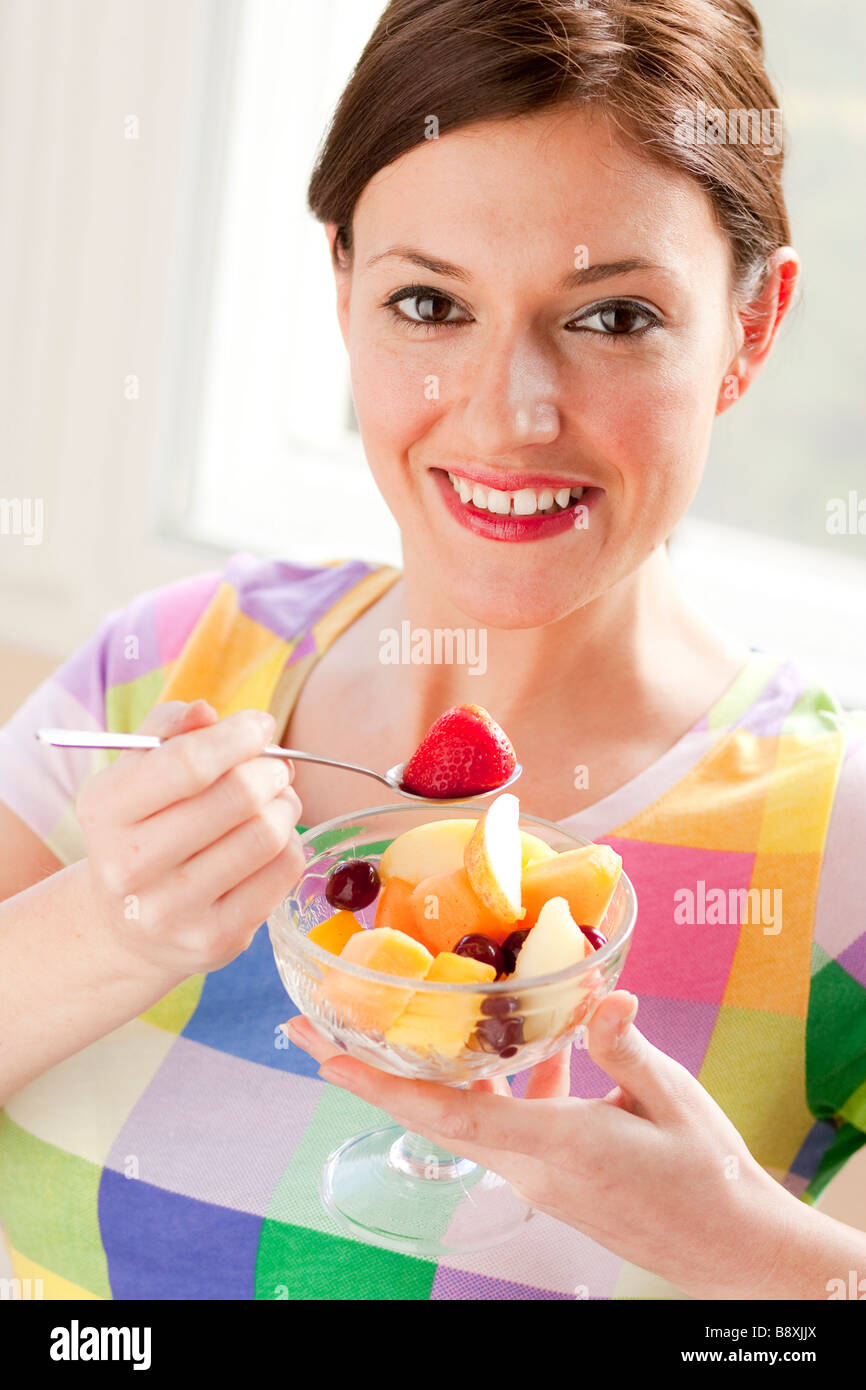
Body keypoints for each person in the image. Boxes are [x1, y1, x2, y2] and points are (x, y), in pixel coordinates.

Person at [1, 0, 864, 1301]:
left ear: (748, 329)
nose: (511, 415)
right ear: (342, 288)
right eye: (426, 301)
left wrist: (750, 1255)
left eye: (612, 317)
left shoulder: (838, 859)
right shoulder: (166, 669)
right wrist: (106, 931)